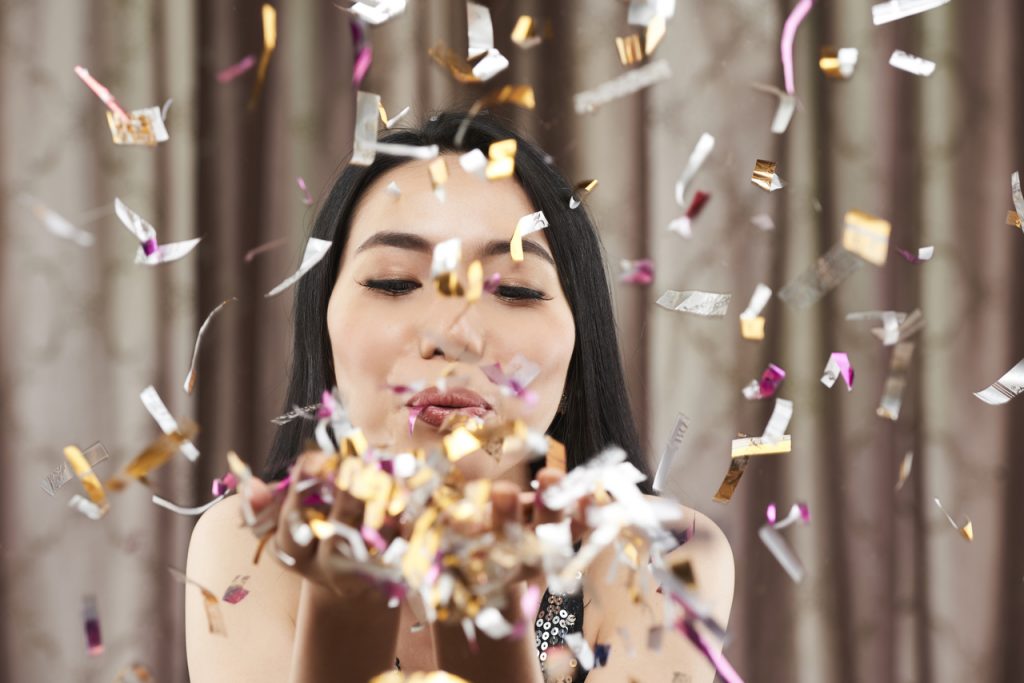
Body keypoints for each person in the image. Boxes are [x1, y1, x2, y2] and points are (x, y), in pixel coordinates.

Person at [185, 110, 734, 683]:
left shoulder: (666, 555)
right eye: (393, 282)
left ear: (578, 359)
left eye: (516, 289)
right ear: (322, 337)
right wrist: (344, 616)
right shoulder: (249, 544)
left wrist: (488, 615)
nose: (452, 333)